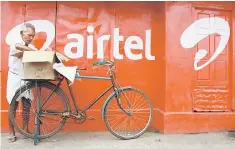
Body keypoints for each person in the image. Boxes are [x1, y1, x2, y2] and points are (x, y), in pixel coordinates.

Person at [7, 23, 53, 142]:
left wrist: (47, 51)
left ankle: (25, 130)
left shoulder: (32, 47)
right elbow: (20, 48)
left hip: (26, 78)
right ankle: (11, 132)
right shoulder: (15, 43)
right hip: (15, 77)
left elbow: (39, 55)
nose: (31, 38)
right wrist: (34, 51)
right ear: (22, 33)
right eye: (29, 35)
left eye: (33, 36)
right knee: (13, 106)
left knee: (27, 106)